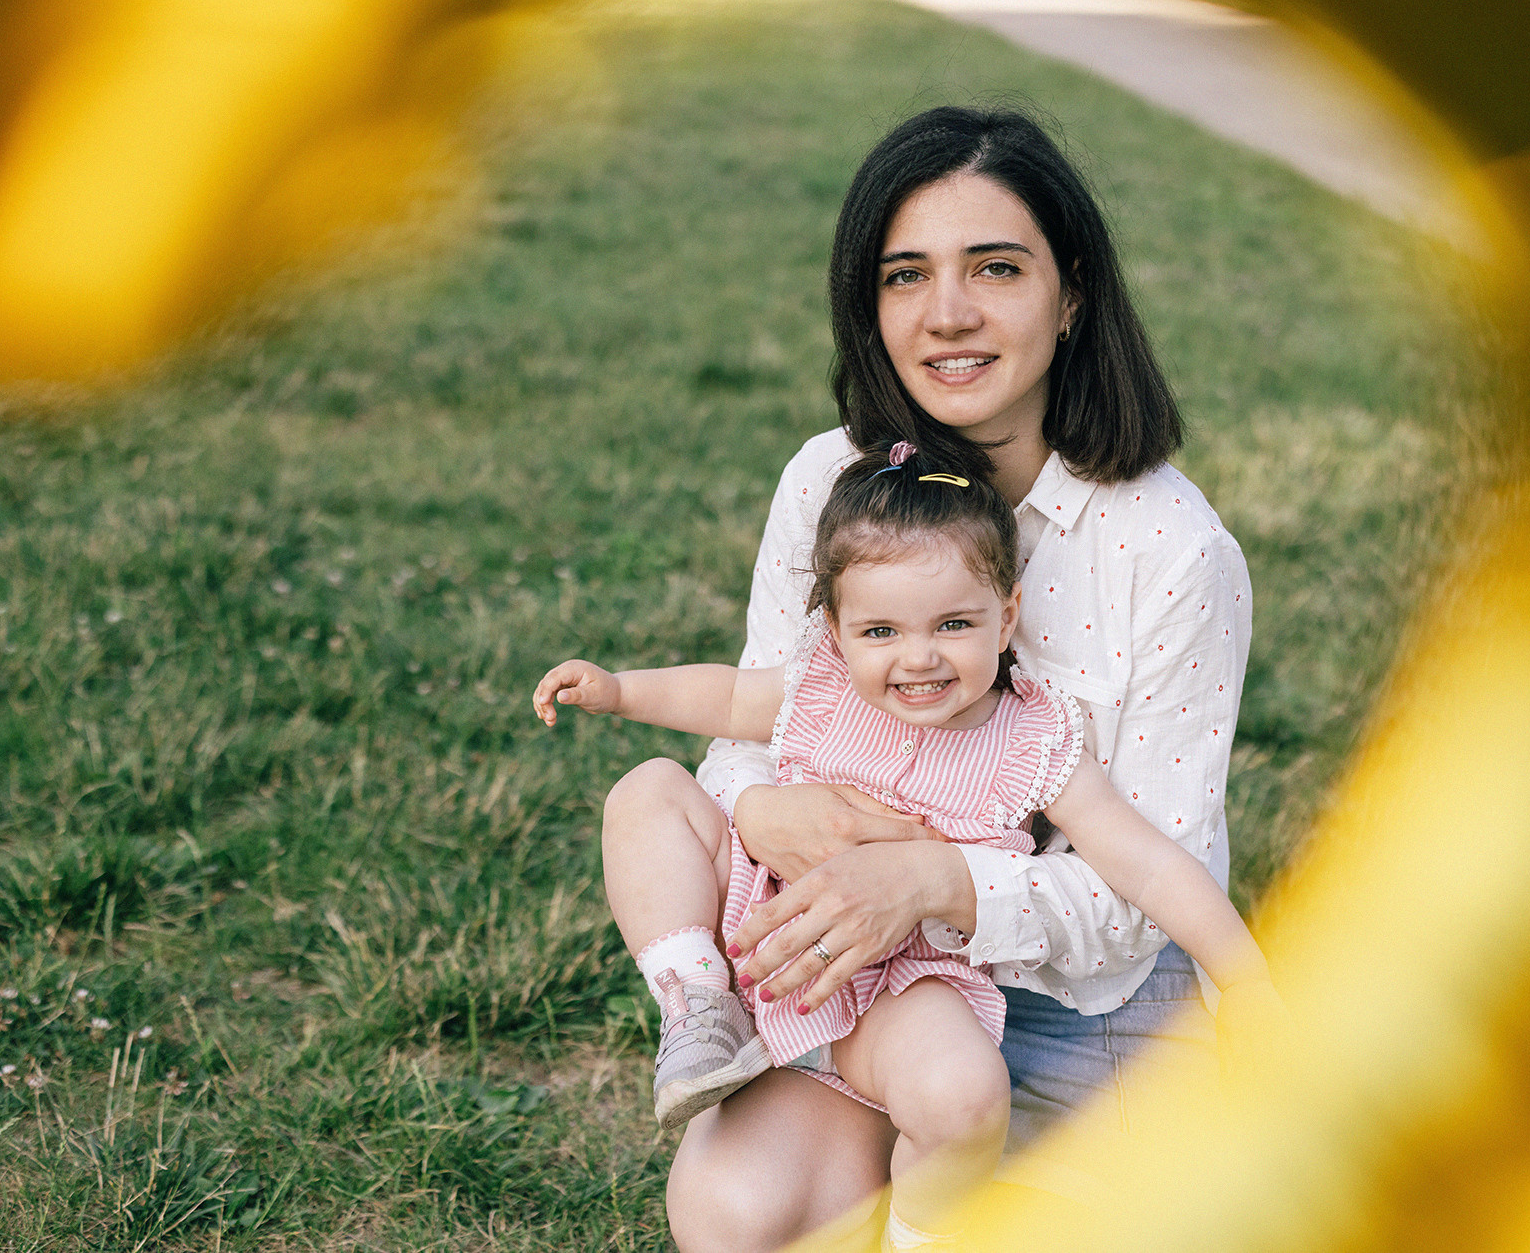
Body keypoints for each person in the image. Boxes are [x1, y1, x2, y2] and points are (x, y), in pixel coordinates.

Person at [636, 103, 1251, 1252]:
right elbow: (755, 724)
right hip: (869, 972)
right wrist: (757, 807)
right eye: (904, 274)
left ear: (1071, 295)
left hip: (1079, 994)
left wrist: (935, 880)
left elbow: (1140, 893)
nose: (947, 313)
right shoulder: (828, 480)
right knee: (740, 1218)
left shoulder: (1171, 549)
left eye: (996, 267)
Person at [533, 442, 1268, 1250]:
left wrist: (1245, 978)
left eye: (953, 624)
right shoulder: (821, 683)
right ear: (836, 630)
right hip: (767, 941)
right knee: (647, 792)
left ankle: (920, 1232)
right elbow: (733, 695)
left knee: (964, 1095)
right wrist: (621, 692)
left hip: (903, 986)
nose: (919, 658)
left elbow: (1149, 867)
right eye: (880, 630)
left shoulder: (1034, 742)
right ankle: (701, 1005)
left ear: (1007, 617)